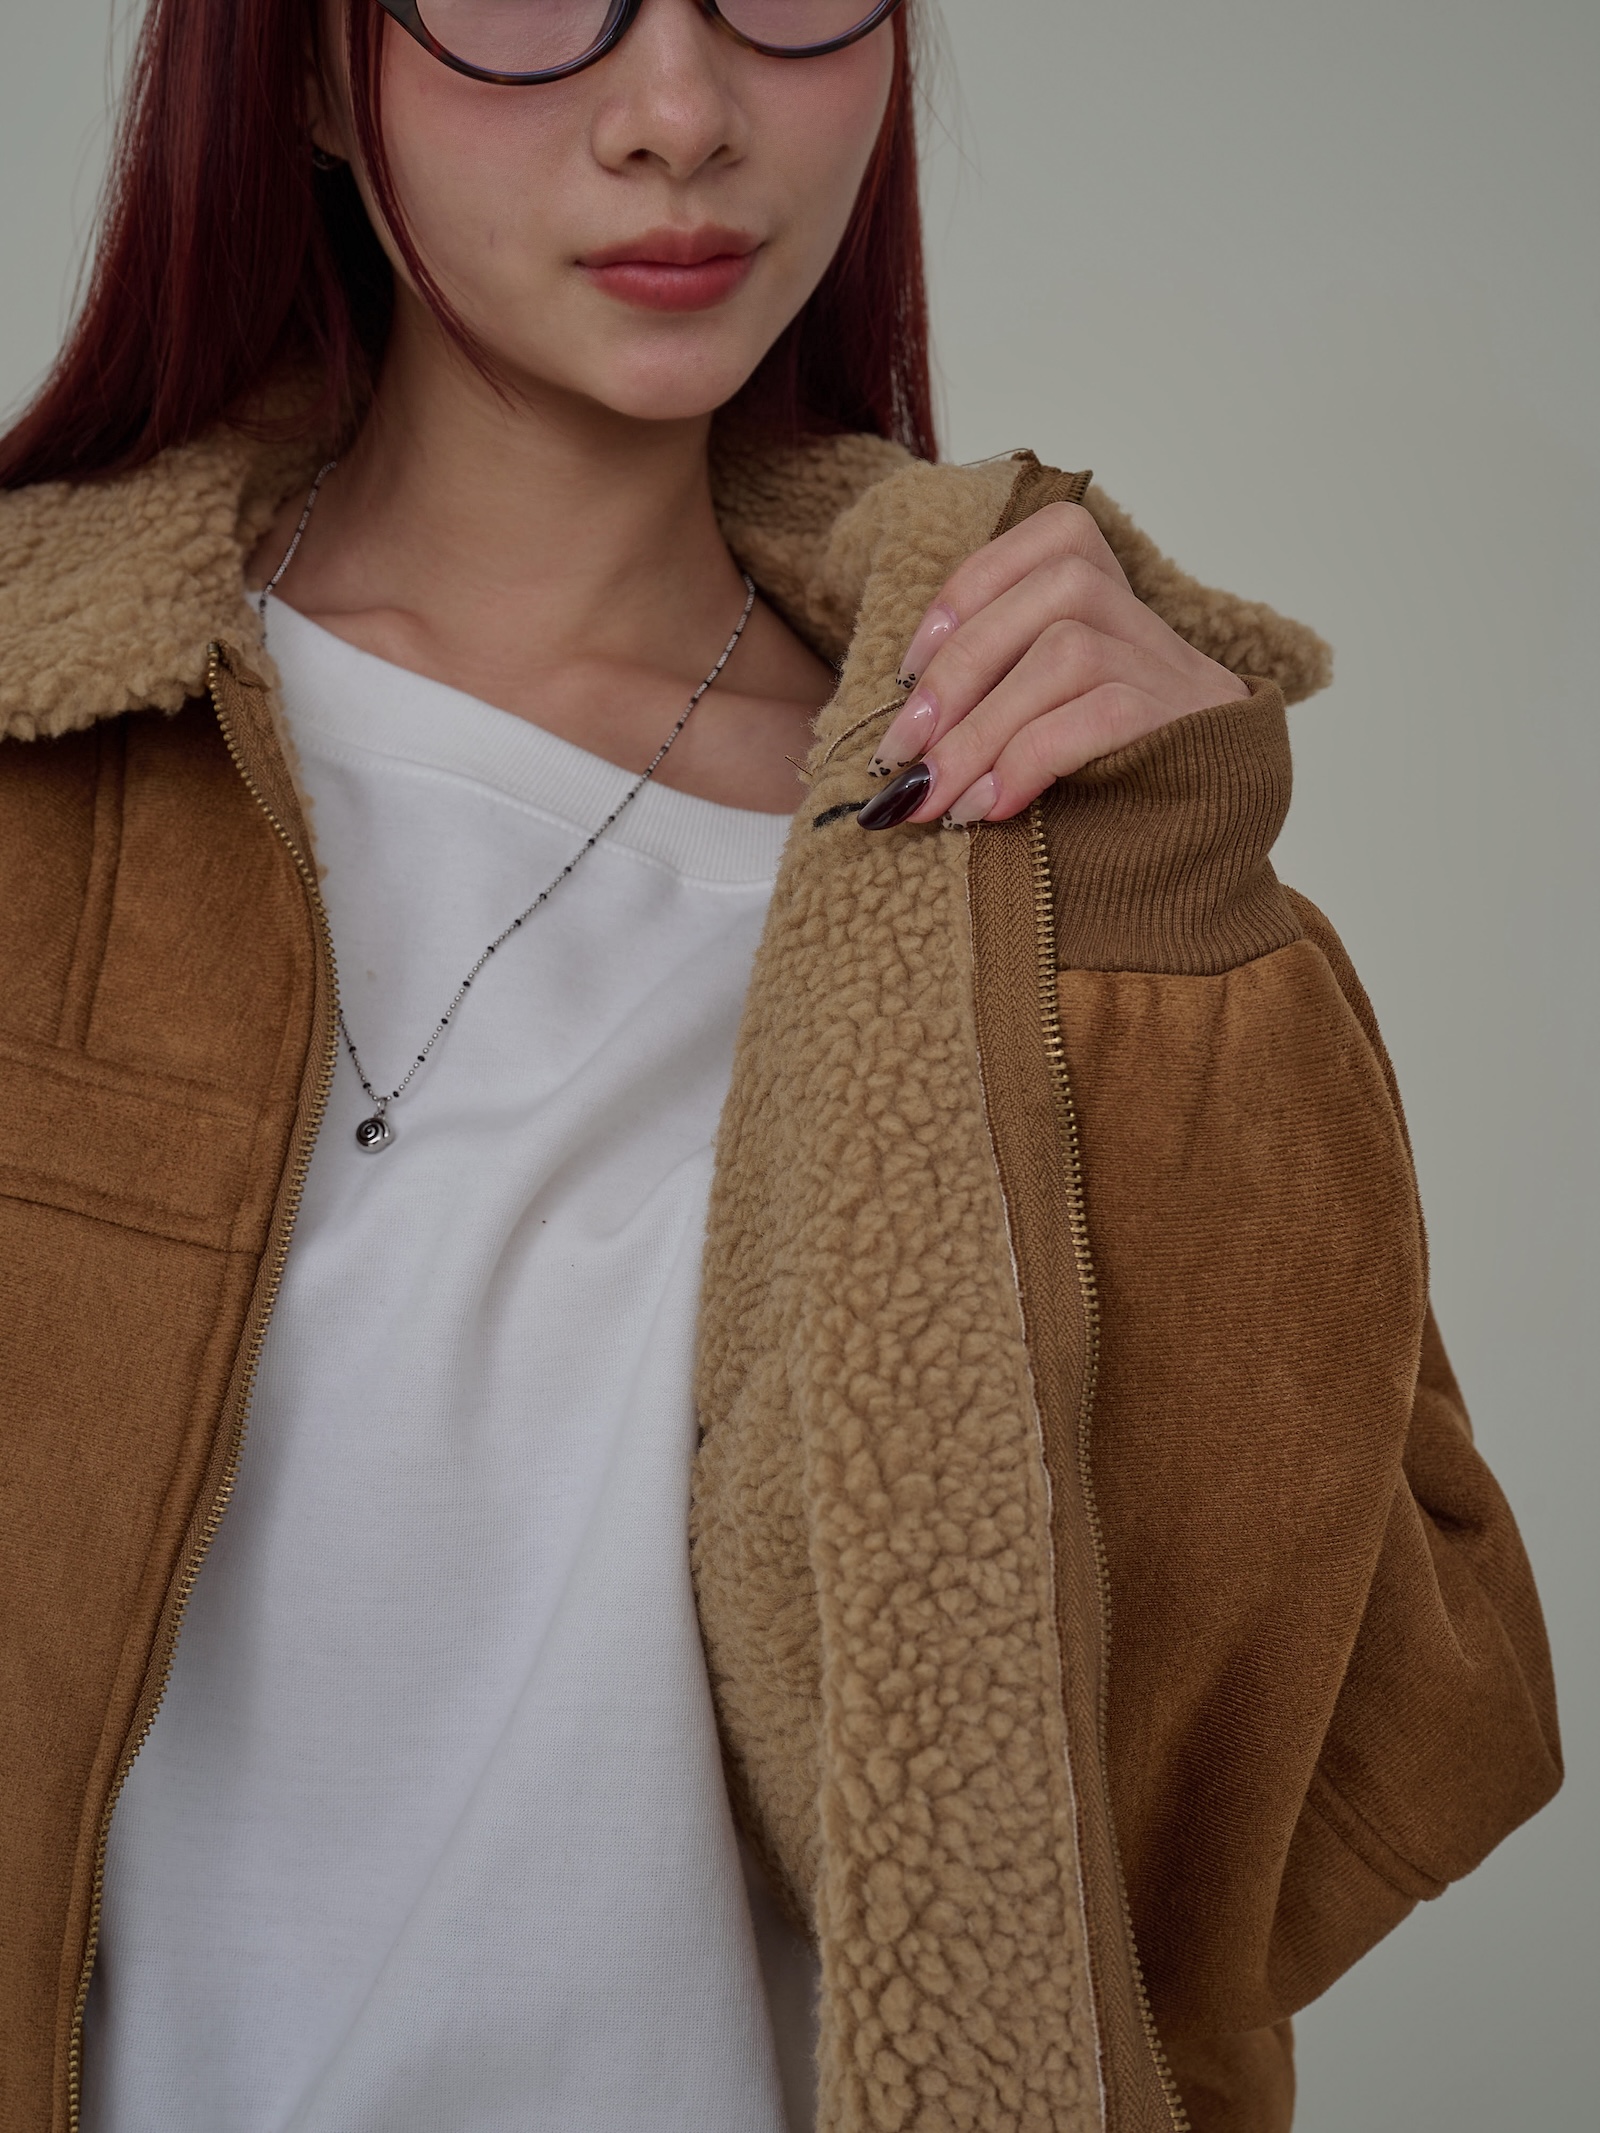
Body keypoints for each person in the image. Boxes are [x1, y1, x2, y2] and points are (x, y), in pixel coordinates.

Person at [0, 2, 1562, 2129]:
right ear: (303, 67)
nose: (680, 113)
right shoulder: (50, 753)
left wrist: (1173, 924)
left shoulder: (1029, 834)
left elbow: (1302, 1827)